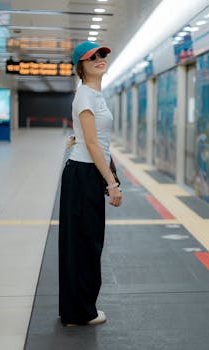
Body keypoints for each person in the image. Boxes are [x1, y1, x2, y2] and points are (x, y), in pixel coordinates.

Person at [58, 41, 122, 326]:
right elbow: (93, 144)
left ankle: (77, 309)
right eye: (91, 57)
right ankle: (81, 311)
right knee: (85, 244)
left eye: (101, 55)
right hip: (84, 175)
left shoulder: (95, 95)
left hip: (86, 173)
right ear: (80, 66)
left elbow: (97, 143)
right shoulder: (85, 96)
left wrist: (110, 172)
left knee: (85, 242)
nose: (99, 59)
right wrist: (111, 183)